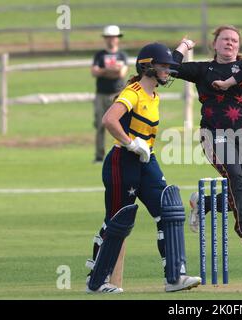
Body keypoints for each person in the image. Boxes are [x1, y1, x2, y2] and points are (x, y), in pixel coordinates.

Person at [85, 42, 201, 293]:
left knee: (169, 209)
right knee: (118, 220)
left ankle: (175, 277)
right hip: (122, 161)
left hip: (147, 159)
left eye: (168, 67)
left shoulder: (154, 94)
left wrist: (182, 46)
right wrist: (130, 143)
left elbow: (173, 62)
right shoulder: (133, 92)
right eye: (163, 67)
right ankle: (96, 281)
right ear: (148, 66)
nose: (168, 71)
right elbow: (109, 119)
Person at [172, 26, 242, 248]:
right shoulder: (204, 70)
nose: (229, 43)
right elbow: (171, 69)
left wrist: (227, 83)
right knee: (234, 175)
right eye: (224, 39)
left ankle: (202, 203)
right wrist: (183, 46)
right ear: (215, 44)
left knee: (240, 196)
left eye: (234, 40)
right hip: (214, 134)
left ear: (238, 46)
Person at [91, 25, 129, 163]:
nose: (111, 40)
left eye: (113, 37)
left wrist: (104, 70)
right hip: (101, 94)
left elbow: (121, 73)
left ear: (117, 38)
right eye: (108, 37)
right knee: (100, 125)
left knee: (121, 124)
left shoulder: (122, 55)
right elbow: (94, 72)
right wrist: (110, 69)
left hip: (119, 95)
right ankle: (99, 156)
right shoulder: (99, 55)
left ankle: (122, 153)